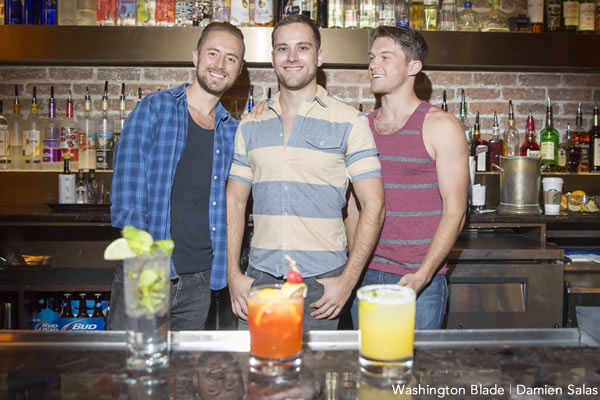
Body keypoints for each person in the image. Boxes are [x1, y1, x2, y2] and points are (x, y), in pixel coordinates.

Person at [226, 15, 385, 331]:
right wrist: (233, 274)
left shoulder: (350, 122)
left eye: (302, 47)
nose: (292, 57)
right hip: (261, 281)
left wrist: (346, 282)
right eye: (282, 48)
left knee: (316, 378)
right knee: (259, 376)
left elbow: (374, 206)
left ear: (319, 56)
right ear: (273, 57)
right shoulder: (251, 124)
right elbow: (234, 202)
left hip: (323, 286)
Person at [108, 22, 245, 330]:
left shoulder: (233, 132)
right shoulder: (154, 110)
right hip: (148, 272)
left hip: (200, 281)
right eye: (213, 53)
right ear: (196, 56)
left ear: (239, 69)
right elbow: (127, 198)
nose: (220, 65)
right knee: (132, 370)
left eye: (231, 58)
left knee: (184, 377)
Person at [349, 26, 469, 330]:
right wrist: (353, 261)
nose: (374, 65)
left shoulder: (440, 125)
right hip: (364, 275)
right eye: (372, 57)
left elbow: (455, 211)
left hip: (417, 280)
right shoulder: (361, 127)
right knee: (370, 371)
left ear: (413, 66)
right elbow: (351, 203)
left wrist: (423, 275)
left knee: (416, 375)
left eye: (386, 57)